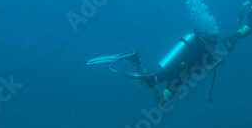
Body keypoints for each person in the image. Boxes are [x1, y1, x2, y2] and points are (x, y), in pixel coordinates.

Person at [87, 31, 223, 106]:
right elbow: (209, 68)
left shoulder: (197, 41)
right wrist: (218, 62)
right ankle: (150, 79)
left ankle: (135, 60)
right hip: (181, 73)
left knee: (145, 84)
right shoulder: (209, 52)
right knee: (163, 101)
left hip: (174, 64)